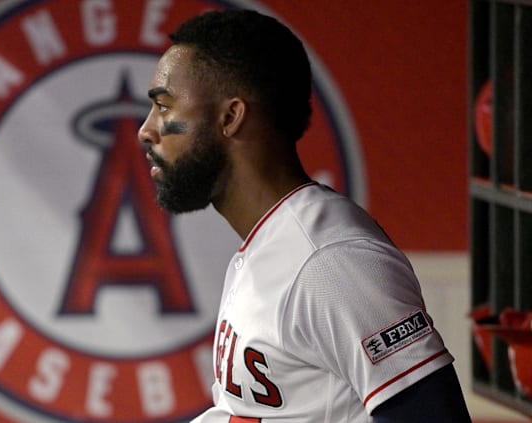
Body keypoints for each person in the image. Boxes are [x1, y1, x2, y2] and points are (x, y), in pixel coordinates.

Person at [137, 8, 471, 423]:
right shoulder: (271, 242)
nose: (146, 130)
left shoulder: (330, 259)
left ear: (230, 117)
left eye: (165, 108)